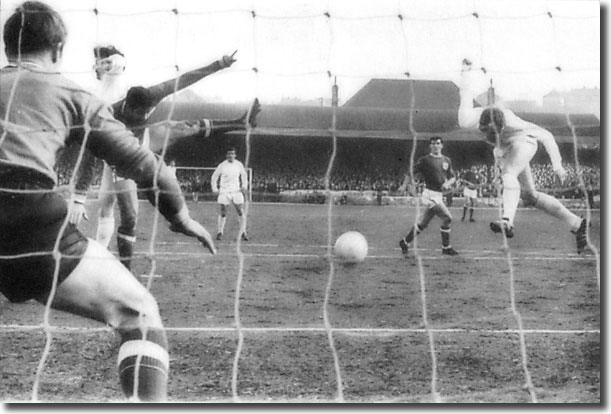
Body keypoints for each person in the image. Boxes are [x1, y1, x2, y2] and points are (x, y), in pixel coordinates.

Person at [0, 1, 216, 402]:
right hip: (26, 218)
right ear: (58, 49)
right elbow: (150, 169)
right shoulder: (73, 95)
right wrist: (180, 216)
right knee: (140, 314)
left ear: (8, 46)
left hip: (27, 215)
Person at [69, 44, 260, 270]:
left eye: (144, 112)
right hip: (120, 154)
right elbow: (91, 152)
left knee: (182, 127)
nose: (141, 115)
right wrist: (79, 196)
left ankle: (240, 122)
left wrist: (219, 64)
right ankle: (123, 269)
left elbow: (186, 79)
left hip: (144, 140)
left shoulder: (153, 95)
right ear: (126, 106)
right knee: (129, 215)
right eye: (136, 112)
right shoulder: (110, 113)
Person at [458, 58, 589, 254]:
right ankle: (577, 224)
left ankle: (507, 221)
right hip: (507, 149)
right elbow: (465, 93)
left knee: (509, 174)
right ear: (482, 127)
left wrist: (557, 166)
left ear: (503, 126)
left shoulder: (512, 121)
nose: (494, 136)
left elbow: (546, 136)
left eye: (497, 131)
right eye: (490, 133)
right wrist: (465, 72)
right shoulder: (467, 120)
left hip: (524, 142)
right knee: (531, 197)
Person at [398, 136, 459, 256]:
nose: (436, 146)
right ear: (430, 146)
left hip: (439, 195)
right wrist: (404, 186)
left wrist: (447, 183)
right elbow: (411, 172)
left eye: (438, 143)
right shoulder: (425, 160)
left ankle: (405, 242)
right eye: (433, 144)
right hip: (429, 195)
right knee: (448, 217)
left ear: (442, 145)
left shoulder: (447, 160)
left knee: (423, 223)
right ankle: (446, 247)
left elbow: (453, 177)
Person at [211, 147, 249, 241]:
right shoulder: (222, 165)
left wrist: (244, 186)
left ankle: (243, 232)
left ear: (235, 155)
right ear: (226, 155)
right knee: (223, 212)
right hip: (224, 191)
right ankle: (220, 232)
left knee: (240, 211)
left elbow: (244, 176)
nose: (231, 155)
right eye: (229, 153)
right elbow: (214, 176)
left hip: (236, 191)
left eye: (232, 153)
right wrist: (215, 189)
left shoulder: (239, 164)